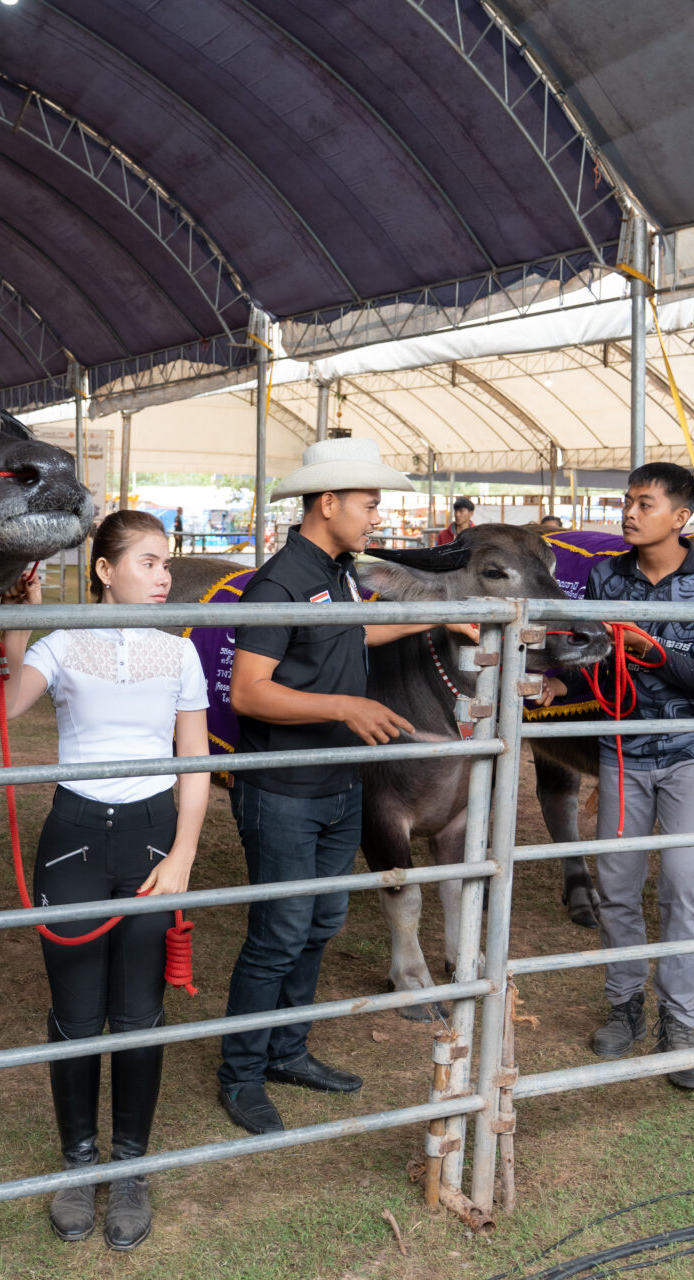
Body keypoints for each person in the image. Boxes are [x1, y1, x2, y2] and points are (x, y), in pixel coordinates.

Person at [218, 436, 472, 1135]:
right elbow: (248, 691)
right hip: (284, 787)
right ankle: (241, 1074)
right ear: (328, 503)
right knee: (279, 932)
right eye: (369, 504)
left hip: (338, 783)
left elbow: (352, 633)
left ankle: (287, 1049)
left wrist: (432, 616)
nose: (376, 517)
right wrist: (344, 706)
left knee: (322, 921)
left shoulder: (338, 573)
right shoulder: (276, 584)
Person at [0, 510, 211, 1251]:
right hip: (74, 840)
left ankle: (130, 1167)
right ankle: (78, 1163)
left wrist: (182, 854)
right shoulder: (61, 643)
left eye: (166, 562)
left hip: (152, 837)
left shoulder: (180, 652)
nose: (165, 576)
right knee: (77, 1012)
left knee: (139, 1010)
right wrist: (17, 623)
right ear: (105, 571)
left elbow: (196, 763)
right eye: (149, 562)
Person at [542, 462, 694, 1089]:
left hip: (690, 754)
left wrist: (656, 654)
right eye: (627, 501)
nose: (629, 513)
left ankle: (679, 1022)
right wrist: (563, 683)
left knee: (683, 886)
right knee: (618, 885)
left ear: (681, 517)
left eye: (645, 503)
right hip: (622, 753)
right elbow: (594, 658)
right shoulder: (606, 576)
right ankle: (624, 1004)